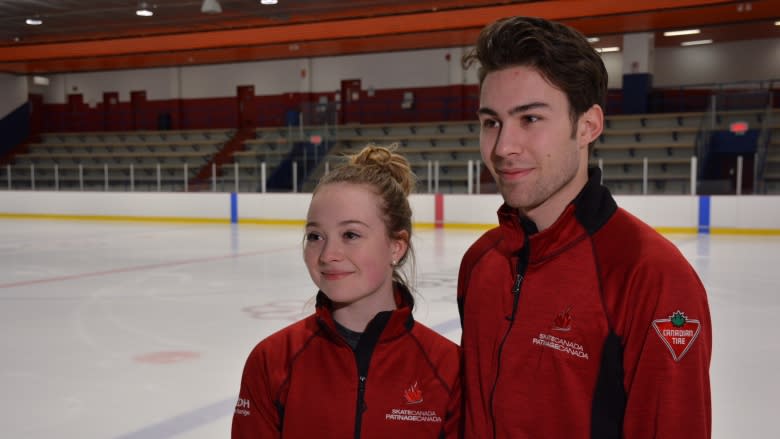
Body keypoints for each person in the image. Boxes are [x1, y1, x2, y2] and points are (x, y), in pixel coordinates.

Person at [457, 16, 712, 438]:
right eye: (491, 122)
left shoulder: (651, 276)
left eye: (531, 119)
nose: (503, 147)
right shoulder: (482, 261)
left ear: (588, 126)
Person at [232, 145, 462, 438]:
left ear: (396, 246)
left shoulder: (447, 368)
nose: (328, 254)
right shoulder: (272, 361)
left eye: (350, 235)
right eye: (315, 236)